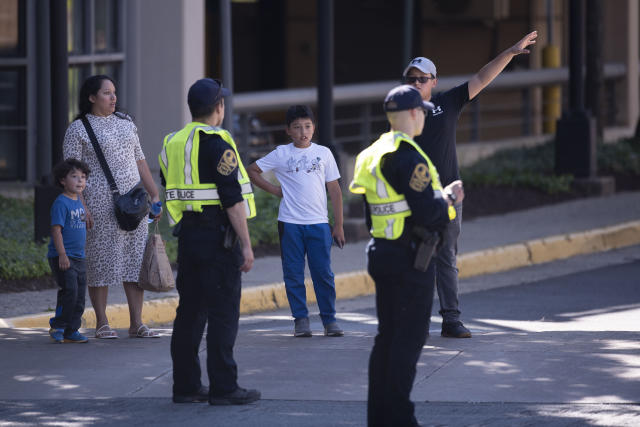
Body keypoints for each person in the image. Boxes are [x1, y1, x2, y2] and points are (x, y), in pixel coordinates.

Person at [403, 31, 537, 338]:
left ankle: (451, 319)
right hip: (417, 198)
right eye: (411, 79)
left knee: (446, 255)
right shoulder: (400, 114)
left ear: (433, 81)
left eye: (422, 79)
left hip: (450, 196)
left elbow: (481, 76)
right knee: (416, 258)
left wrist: (510, 52)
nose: (416, 84)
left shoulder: (447, 102)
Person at [350, 85, 464, 426]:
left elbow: (376, 209)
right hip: (410, 257)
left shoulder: (373, 152)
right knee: (409, 340)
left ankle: (381, 417)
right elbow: (427, 212)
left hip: (384, 251)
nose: (426, 117)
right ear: (413, 114)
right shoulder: (407, 154)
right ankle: (400, 417)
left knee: (387, 338)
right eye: (423, 112)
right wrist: (448, 199)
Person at [159, 78, 260, 405]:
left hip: (188, 237)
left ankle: (186, 386)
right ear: (219, 107)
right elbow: (232, 200)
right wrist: (245, 244)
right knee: (222, 314)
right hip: (219, 240)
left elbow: (167, 180)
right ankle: (224, 387)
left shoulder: (172, 142)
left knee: (189, 312)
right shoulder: (219, 143)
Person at [63, 75, 161, 339]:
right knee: (100, 262)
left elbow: (140, 161)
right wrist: (80, 205)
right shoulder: (78, 129)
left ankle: (137, 322)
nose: (113, 98)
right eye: (107, 93)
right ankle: (102, 322)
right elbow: (71, 172)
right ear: (91, 97)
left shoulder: (126, 123)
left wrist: (154, 195)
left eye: (114, 92)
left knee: (134, 260)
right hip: (98, 203)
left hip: (134, 202)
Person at [246, 105, 345, 337]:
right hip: (289, 223)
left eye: (308, 126)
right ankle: (301, 320)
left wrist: (338, 225)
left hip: (319, 224)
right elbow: (252, 170)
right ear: (288, 130)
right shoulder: (282, 153)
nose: (303, 132)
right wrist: (274, 189)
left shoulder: (324, 153)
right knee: (293, 273)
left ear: (314, 127)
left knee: (323, 273)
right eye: (297, 127)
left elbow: (335, 190)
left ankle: (329, 320)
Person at [47, 158, 92, 344]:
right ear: (62, 180)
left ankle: (72, 330)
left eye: (83, 177)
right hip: (63, 256)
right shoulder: (61, 203)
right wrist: (62, 254)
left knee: (80, 295)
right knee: (70, 291)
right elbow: (56, 230)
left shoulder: (79, 203)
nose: (80, 180)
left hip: (79, 257)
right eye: (74, 176)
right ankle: (58, 325)